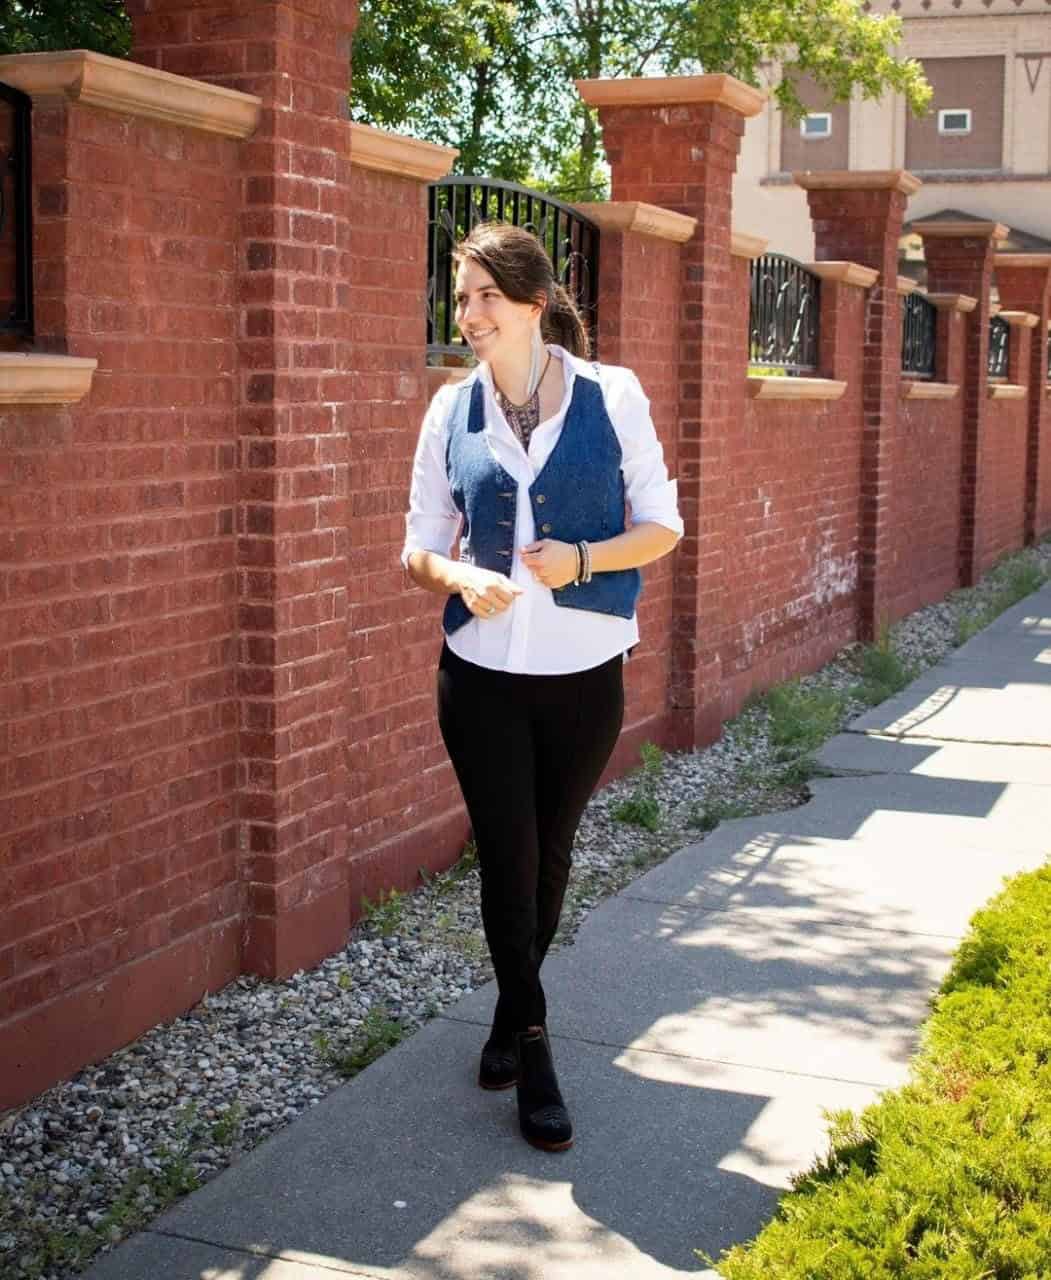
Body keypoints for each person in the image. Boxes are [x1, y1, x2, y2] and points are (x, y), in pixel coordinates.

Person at [402, 221, 683, 1152]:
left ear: (532, 302)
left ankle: (501, 1016)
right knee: (507, 857)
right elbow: (415, 544)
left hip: (582, 673)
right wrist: (457, 579)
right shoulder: (451, 410)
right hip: (477, 676)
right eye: (461, 296)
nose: (468, 313)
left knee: (552, 855)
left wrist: (583, 558)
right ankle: (536, 1047)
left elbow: (663, 526)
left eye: (484, 295)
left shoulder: (614, 395)